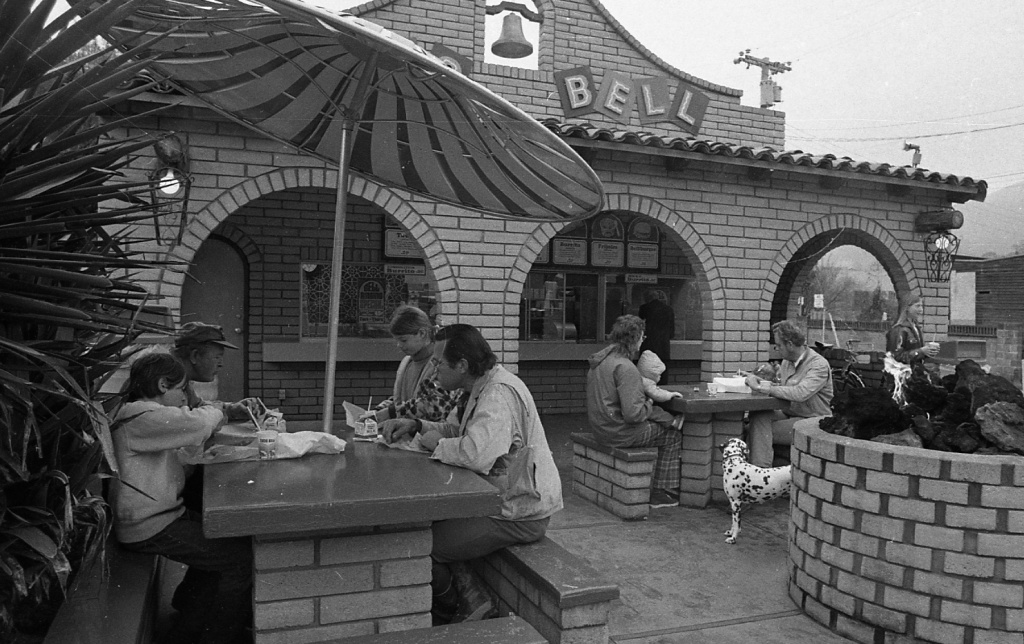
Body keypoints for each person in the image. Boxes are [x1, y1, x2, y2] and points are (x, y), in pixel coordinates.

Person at [384, 324, 562, 624]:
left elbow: (476, 453)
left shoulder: (497, 395)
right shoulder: (477, 386)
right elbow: (459, 429)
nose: (434, 370)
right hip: (499, 501)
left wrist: (438, 444)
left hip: (517, 512)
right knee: (429, 523)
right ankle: (471, 595)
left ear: (462, 365)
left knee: (422, 546)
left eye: (439, 363)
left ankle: (454, 607)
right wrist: (416, 425)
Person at [110, 353, 252, 644]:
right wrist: (220, 412)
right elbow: (200, 423)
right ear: (163, 384)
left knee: (220, 541)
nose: (186, 398)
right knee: (239, 559)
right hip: (150, 525)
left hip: (160, 515)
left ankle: (190, 620)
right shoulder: (141, 416)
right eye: (182, 389)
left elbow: (169, 459)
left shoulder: (139, 417)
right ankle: (220, 637)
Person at [586, 314, 683, 508]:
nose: (642, 341)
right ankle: (659, 492)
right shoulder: (626, 368)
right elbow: (634, 415)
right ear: (635, 338)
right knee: (672, 436)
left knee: (658, 422)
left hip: (602, 429)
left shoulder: (601, 361)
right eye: (642, 337)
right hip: (620, 433)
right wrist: (649, 402)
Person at [744, 320, 834, 468]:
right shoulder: (787, 362)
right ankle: (755, 469)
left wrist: (764, 389)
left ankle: (759, 471)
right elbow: (784, 389)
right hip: (790, 413)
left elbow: (800, 393)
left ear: (790, 345)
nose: (777, 349)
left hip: (812, 420)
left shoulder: (818, 365)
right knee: (758, 416)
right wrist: (760, 382)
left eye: (779, 345)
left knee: (758, 432)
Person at [360, 305, 463, 425]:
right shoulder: (407, 362)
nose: (399, 345)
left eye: (403, 340)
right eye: (396, 340)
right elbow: (401, 400)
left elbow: (436, 406)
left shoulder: (440, 363)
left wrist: (391, 412)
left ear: (422, 333)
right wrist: (378, 411)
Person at [171, 322, 257, 418]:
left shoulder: (181, 381)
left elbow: (197, 406)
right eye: (217, 357)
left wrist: (230, 410)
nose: (221, 364)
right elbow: (187, 421)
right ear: (194, 356)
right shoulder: (167, 383)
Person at [637, 350, 685, 429]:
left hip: (641, 406)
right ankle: (673, 422)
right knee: (657, 411)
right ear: (651, 374)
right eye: (659, 375)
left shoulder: (640, 379)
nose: (660, 377)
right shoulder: (647, 383)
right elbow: (657, 395)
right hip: (644, 406)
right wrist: (670, 395)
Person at [886, 294, 939, 364]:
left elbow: (917, 354)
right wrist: (921, 351)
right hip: (902, 373)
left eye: (922, 306)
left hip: (916, 372)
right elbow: (895, 356)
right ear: (907, 307)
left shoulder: (916, 328)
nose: (921, 310)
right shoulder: (899, 329)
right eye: (917, 306)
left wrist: (928, 352)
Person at [638, 290, 674, 381]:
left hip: (649, 342)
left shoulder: (644, 308)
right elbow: (672, 328)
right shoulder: (668, 309)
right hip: (663, 343)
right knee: (663, 368)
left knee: (646, 368)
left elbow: (639, 324)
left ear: (647, 298)